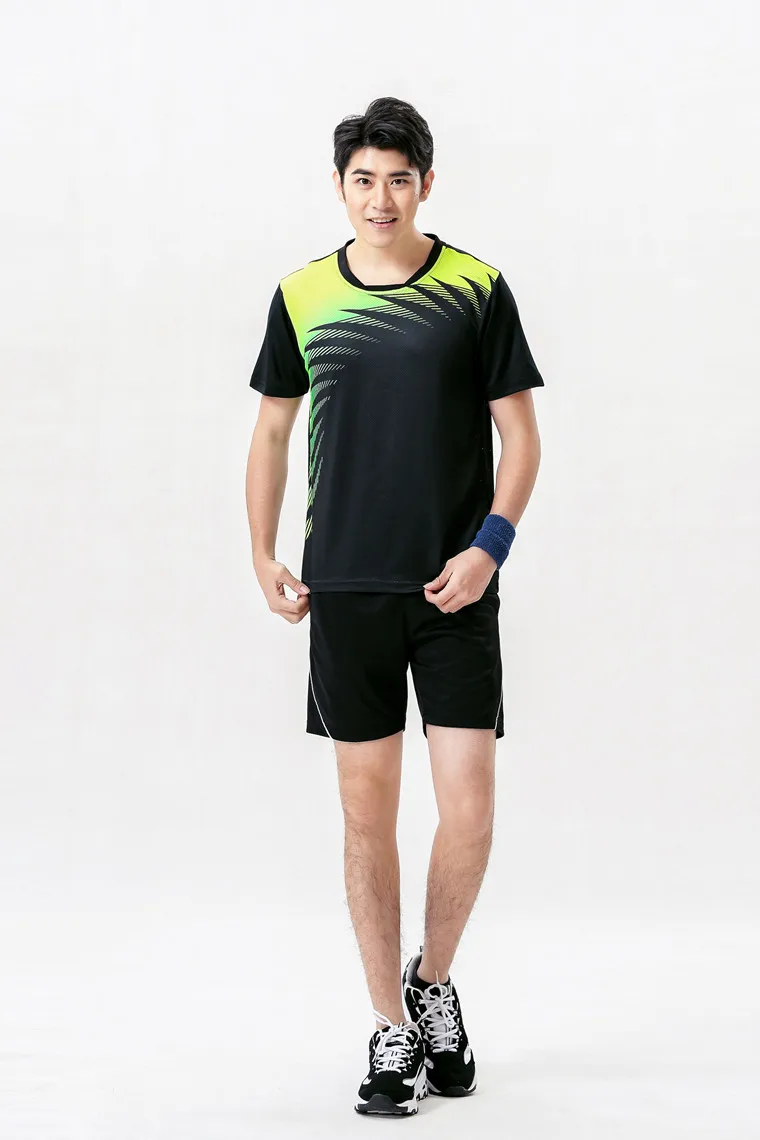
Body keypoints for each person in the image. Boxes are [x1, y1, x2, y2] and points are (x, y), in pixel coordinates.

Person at [245, 96, 544, 1117]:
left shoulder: (475, 288)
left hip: (454, 588)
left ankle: (433, 982)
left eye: (399, 180)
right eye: (364, 180)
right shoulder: (301, 294)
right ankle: (388, 1028)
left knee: (470, 812)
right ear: (341, 187)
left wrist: (487, 550)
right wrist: (262, 552)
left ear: (426, 184)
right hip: (345, 591)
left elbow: (521, 437)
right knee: (364, 818)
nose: (381, 198)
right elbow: (273, 430)